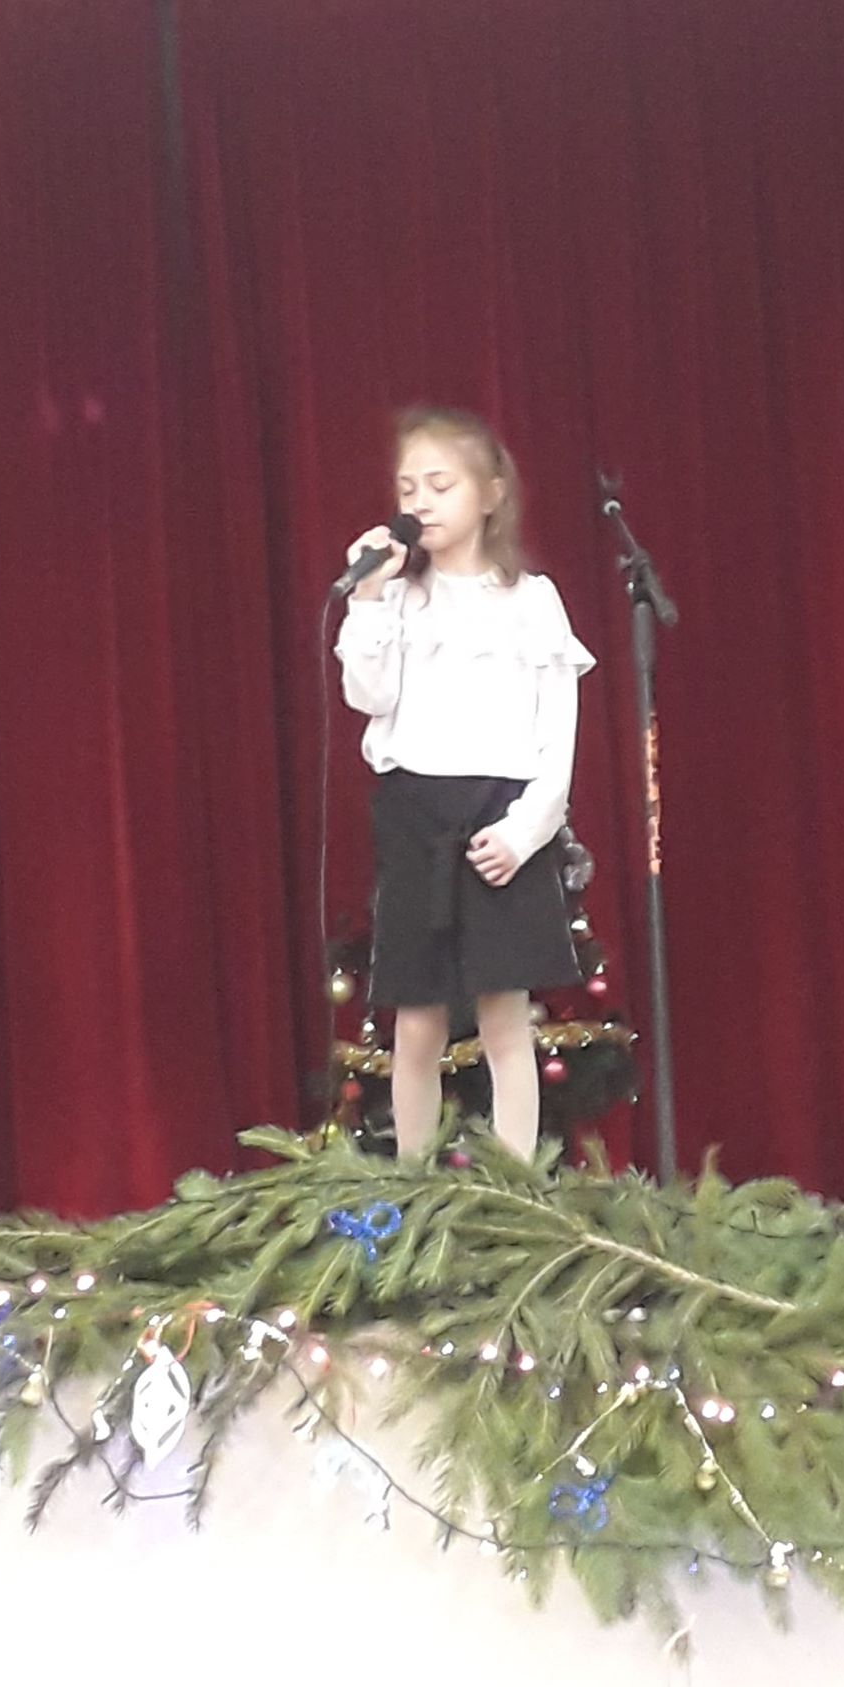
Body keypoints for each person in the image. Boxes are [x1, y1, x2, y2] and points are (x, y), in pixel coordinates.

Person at [336, 406, 595, 1160]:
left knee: (505, 1019)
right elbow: (367, 695)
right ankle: (415, 1180)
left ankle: (514, 1186)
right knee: (416, 1022)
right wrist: (366, 598)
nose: (420, 501)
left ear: (489, 493)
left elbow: (558, 734)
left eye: (440, 484)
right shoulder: (397, 598)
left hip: (501, 816)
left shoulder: (532, 600)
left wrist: (526, 830)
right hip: (416, 814)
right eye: (407, 487)